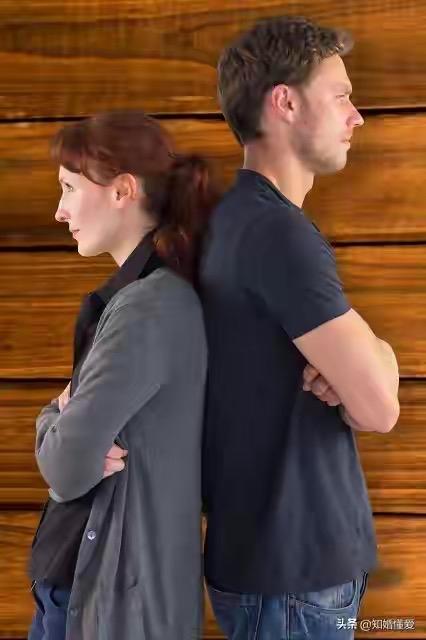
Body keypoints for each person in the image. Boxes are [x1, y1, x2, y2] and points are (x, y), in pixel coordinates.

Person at [200, 16, 400, 640]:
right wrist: (374, 361)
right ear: (284, 102)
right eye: (340, 96)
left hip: (276, 572)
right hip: (292, 580)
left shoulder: (234, 221)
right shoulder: (277, 234)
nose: (356, 116)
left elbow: (364, 392)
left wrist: (368, 361)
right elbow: (379, 408)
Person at [28, 111, 215, 640]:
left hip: (104, 605)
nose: (59, 210)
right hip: (88, 593)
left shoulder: (148, 307)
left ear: (122, 190)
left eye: (69, 187)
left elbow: (67, 467)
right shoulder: (146, 297)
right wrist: (60, 421)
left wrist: (52, 421)